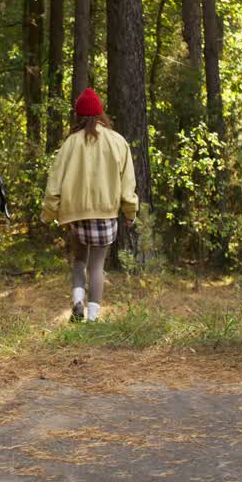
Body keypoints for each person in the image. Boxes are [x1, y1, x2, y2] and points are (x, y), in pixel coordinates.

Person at [41, 88, 139, 322]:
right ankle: (93, 317)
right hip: (105, 214)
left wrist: (49, 213)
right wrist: (130, 212)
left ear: (78, 116)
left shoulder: (70, 143)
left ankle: (77, 303)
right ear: (100, 114)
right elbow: (128, 183)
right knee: (96, 266)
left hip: (76, 215)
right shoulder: (117, 142)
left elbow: (54, 182)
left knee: (79, 260)